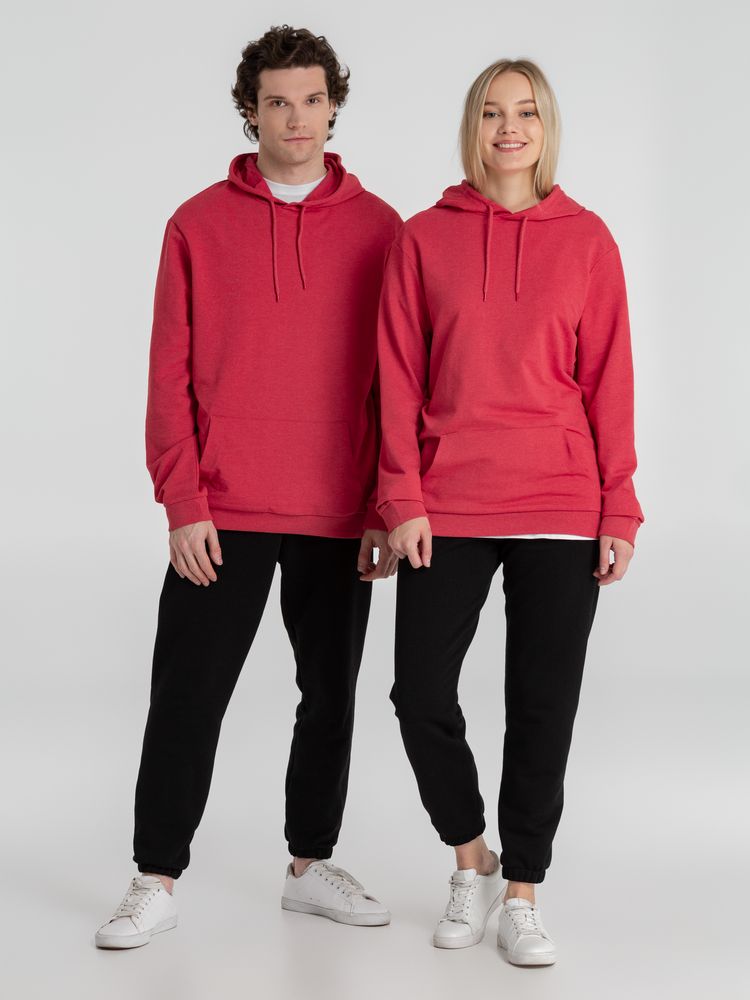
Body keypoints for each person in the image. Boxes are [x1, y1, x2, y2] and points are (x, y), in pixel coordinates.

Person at [94, 24, 402, 949]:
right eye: (277, 102)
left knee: (330, 696)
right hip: (222, 510)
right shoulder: (196, 223)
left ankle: (310, 866)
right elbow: (167, 374)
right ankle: (155, 876)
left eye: (312, 100)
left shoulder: (383, 229)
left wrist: (385, 503)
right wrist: (182, 501)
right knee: (187, 696)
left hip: (339, 511)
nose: (296, 118)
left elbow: (397, 378)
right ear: (250, 110)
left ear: (334, 107)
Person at [375, 57, 645, 965]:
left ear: (546, 126)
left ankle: (523, 890)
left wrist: (619, 506)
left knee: (542, 705)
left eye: (525, 112)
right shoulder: (423, 239)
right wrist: (400, 494)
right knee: (419, 694)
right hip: (448, 499)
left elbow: (610, 381)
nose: (509, 129)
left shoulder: (589, 240)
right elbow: (397, 378)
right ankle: (473, 860)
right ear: (473, 127)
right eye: (492, 113)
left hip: (562, 503)